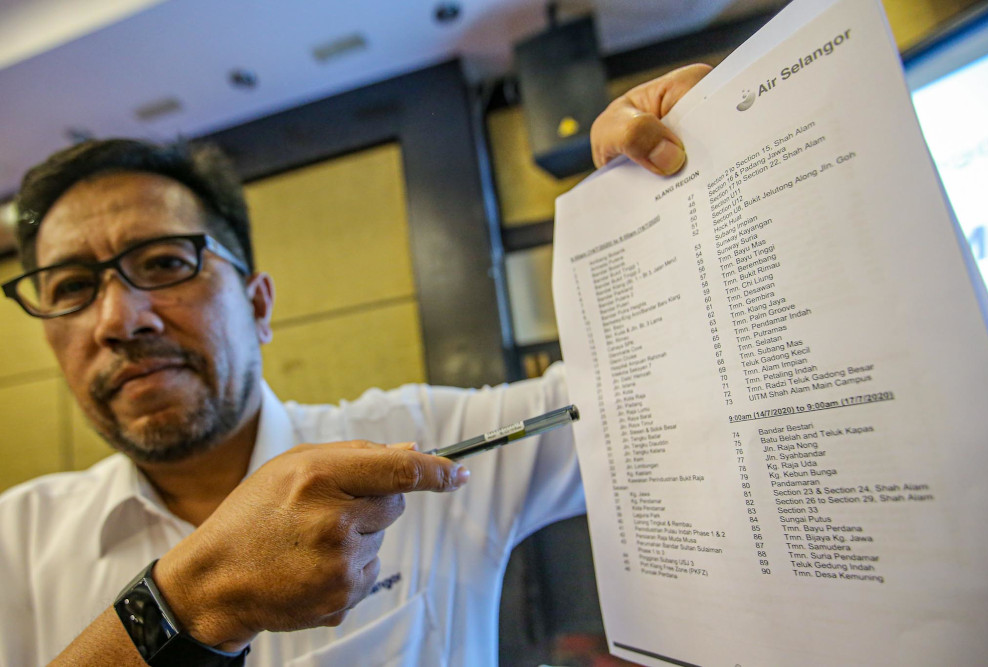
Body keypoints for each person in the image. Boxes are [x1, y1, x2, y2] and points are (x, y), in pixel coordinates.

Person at [0, 64, 710, 666]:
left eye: (162, 262)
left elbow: (654, 400)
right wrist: (191, 602)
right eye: (70, 288)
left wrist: (681, 189)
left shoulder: (418, 439)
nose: (119, 319)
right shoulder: (17, 541)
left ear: (257, 304)